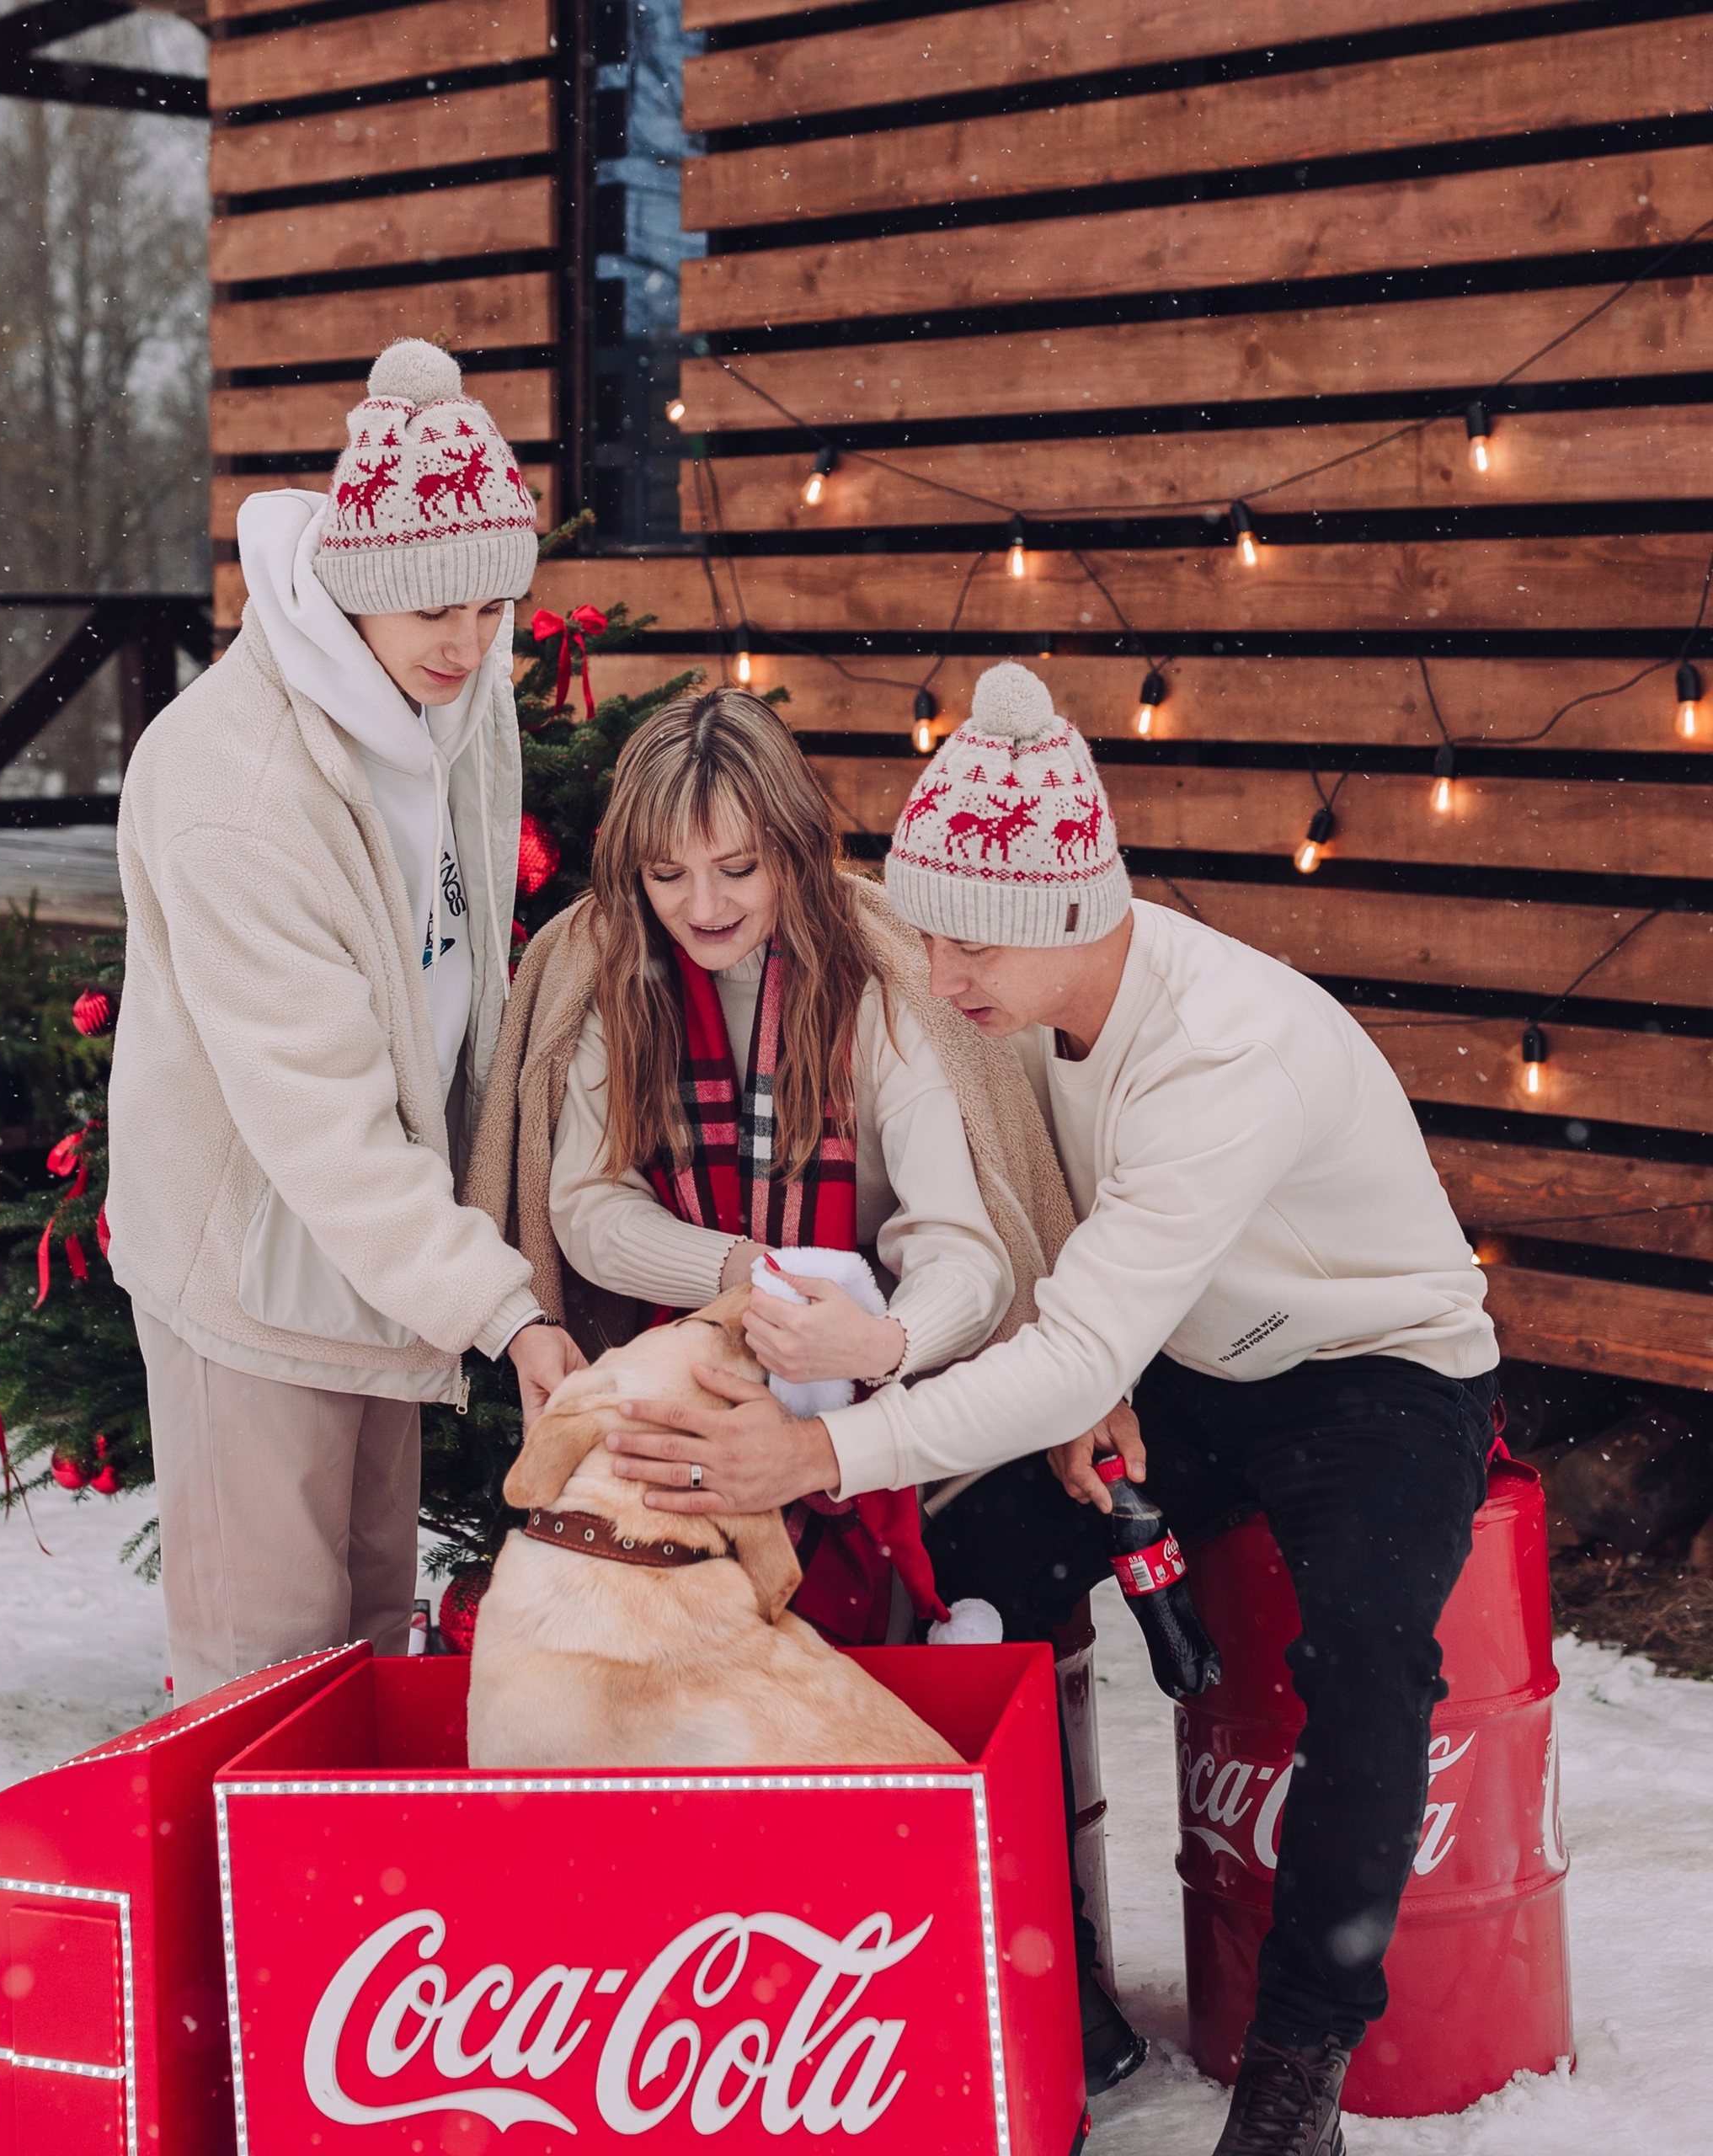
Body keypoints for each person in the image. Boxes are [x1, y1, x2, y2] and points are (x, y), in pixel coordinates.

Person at [604, 661, 1500, 2156]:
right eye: (928, 931)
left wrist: (822, 1448)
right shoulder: (1027, 1007)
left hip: (1378, 1370)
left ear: (1071, 914)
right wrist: (1108, 1382)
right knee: (975, 1561)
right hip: (1187, 1367)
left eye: (963, 941)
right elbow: (1077, 1268)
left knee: (1367, 1659)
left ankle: (1299, 2060)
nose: (935, 970)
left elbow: (1079, 1341)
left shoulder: (1225, 1052)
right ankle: (1039, 1959)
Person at [107, 339, 584, 1702]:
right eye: (435, 608)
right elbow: (318, 1119)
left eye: (492, 604)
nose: (469, 643)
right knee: (262, 1672)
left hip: (387, 1258)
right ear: (357, 586)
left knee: (370, 1640)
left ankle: (338, 1852)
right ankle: (222, 1851)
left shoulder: (449, 693)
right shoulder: (236, 790)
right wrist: (503, 1307)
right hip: (255, 1265)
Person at [466, 687, 1075, 1643]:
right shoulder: (608, 974)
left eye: (738, 869)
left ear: (793, 848)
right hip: (685, 1348)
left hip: (879, 1365)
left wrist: (881, 1343)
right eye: (667, 875)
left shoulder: (883, 984)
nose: (703, 908)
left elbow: (964, 1248)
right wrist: (743, 1272)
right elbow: (587, 1206)